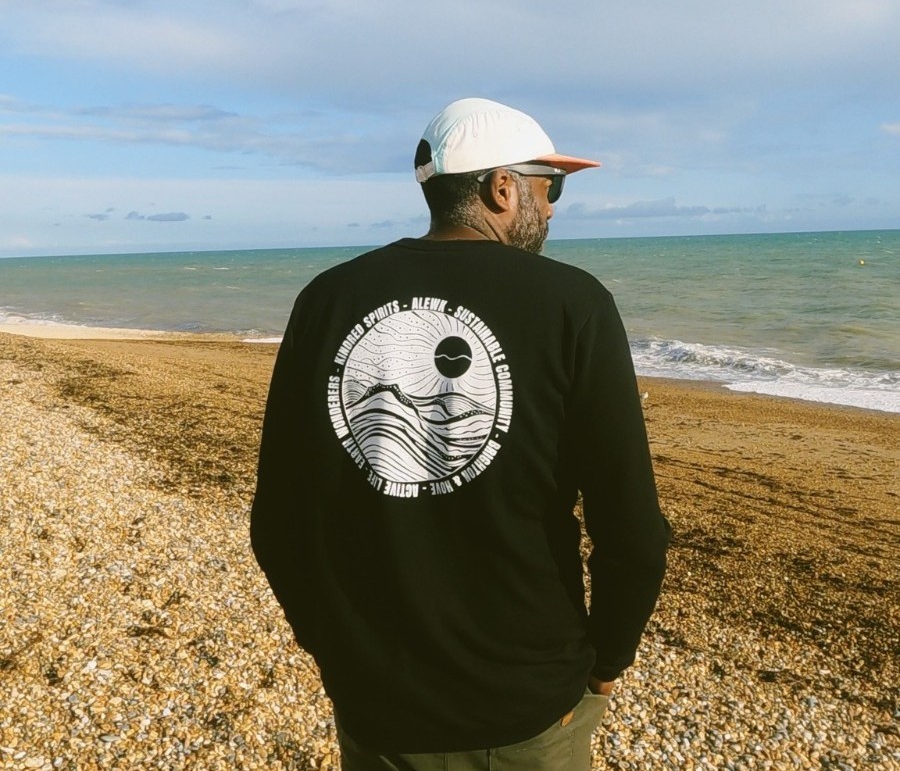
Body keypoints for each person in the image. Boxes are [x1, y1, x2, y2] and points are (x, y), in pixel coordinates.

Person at [251, 97, 670, 768]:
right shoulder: (573, 304)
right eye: (551, 186)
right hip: (527, 706)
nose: (553, 208)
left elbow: (278, 521)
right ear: (502, 188)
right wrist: (607, 663)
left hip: (378, 708)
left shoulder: (326, 301)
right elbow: (633, 533)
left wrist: (334, 648)